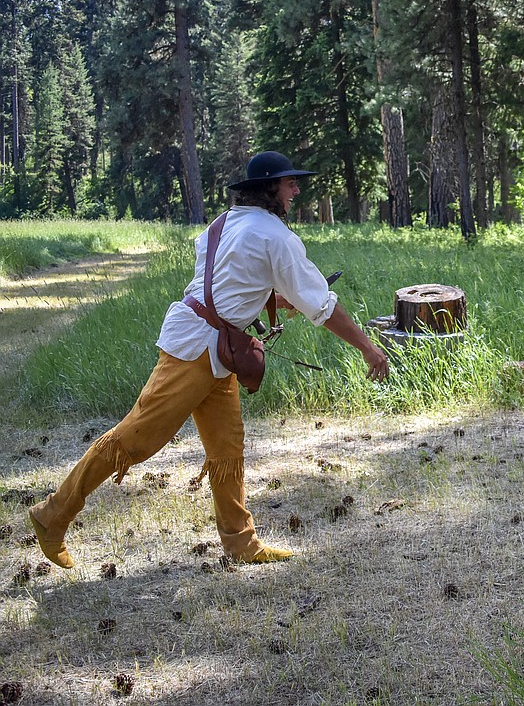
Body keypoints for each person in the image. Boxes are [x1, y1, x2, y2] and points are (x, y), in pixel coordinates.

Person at [29, 151, 390, 568]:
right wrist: (369, 348)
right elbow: (323, 307)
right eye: (290, 182)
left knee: (226, 446)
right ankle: (53, 514)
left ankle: (240, 542)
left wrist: (273, 298)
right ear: (270, 188)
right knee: (135, 439)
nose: (296, 189)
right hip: (197, 350)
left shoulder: (224, 223)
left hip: (213, 351)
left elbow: (226, 284)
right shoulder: (276, 237)